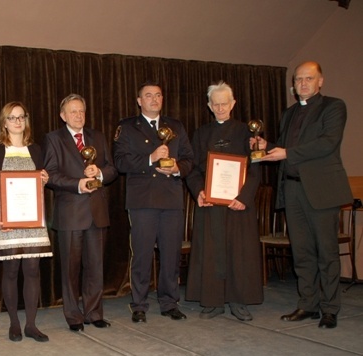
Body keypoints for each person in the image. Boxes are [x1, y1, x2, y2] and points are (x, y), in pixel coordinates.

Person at [254, 61, 351, 329]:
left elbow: (327, 143)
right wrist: (268, 146)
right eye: (298, 80)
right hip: (293, 189)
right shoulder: (289, 113)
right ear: (293, 86)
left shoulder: (334, 107)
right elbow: (286, 149)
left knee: (326, 252)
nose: (303, 83)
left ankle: (330, 308)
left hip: (321, 190)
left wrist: (286, 152)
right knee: (303, 252)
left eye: (309, 78)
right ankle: (308, 303)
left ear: (321, 81)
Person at [113, 81, 193, 323]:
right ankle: (139, 304)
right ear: (139, 101)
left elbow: (190, 159)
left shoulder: (175, 126)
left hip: (171, 199)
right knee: (142, 254)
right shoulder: (127, 127)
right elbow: (120, 162)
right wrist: (150, 157)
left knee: (171, 254)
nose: (154, 99)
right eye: (148, 96)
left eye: (158, 95)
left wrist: (178, 168)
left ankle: (170, 302)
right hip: (142, 200)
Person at [185, 81, 263, 321]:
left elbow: (256, 168)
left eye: (224, 103)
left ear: (233, 104)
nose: (220, 108)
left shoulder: (247, 133)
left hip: (238, 205)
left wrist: (244, 197)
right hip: (211, 204)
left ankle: (239, 301)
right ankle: (212, 301)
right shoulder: (201, 134)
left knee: (239, 252)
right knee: (210, 252)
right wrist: (199, 191)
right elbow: (193, 169)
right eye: (215, 104)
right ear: (209, 106)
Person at [43, 93, 118, 332]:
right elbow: (51, 175)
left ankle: (94, 313)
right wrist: (78, 183)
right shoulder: (53, 139)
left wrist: (100, 174)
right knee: (70, 269)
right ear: (63, 115)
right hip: (70, 213)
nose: (79, 115)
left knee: (95, 266)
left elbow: (112, 169)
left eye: (82, 111)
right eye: (73, 111)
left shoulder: (97, 136)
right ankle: (73, 316)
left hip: (97, 211)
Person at [0, 102, 52, 342]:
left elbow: (37, 184)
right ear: (4, 122)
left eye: (21, 117)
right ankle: (14, 323)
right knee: (11, 270)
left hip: (32, 218)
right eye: (12, 118)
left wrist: (44, 178)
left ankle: (31, 325)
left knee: (32, 270)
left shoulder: (35, 149)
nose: (17, 122)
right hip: (6, 220)